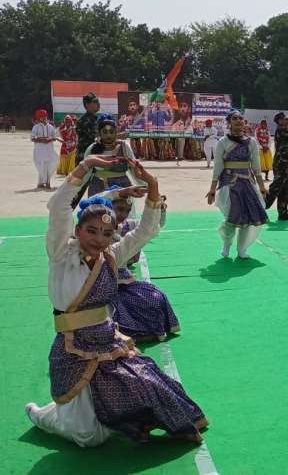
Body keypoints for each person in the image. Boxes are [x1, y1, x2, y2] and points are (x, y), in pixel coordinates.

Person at [25, 156, 208, 447]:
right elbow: (59, 207)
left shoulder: (112, 256)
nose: (99, 239)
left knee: (146, 383)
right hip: (72, 349)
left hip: (108, 341)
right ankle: (42, 416)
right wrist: (86, 166)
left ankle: (142, 420)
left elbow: (146, 231)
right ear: (77, 230)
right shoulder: (61, 255)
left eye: (107, 233)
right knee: (87, 437)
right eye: (92, 231)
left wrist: (152, 184)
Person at [100, 185, 180, 341]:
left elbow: (153, 226)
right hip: (101, 282)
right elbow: (97, 201)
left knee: (156, 297)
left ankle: (151, 330)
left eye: (126, 210)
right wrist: (121, 192)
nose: (122, 214)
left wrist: (159, 209)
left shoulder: (129, 226)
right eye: (118, 209)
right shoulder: (97, 228)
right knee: (117, 309)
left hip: (124, 280)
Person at [206, 110, 268, 259]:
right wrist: (212, 189)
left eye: (241, 118)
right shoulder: (223, 142)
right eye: (235, 118)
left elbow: (256, 167)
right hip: (229, 184)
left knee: (248, 219)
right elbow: (218, 167)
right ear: (229, 123)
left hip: (247, 183)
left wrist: (261, 187)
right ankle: (226, 245)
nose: (239, 121)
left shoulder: (251, 142)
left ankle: (242, 249)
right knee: (231, 218)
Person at [84, 115, 136, 196]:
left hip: (122, 188)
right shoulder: (92, 149)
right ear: (99, 133)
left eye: (111, 132)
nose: (108, 135)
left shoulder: (125, 147)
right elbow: (84, 173)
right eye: (105, 132)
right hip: (98, 188)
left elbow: (135, 170)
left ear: (116, 132)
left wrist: (148, 184)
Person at [31, 109, 59, 190]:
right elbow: (32, 138)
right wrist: (42, 140)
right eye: (41, 117)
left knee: (51, 164)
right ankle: (45, 183)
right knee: (41, 166)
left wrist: (49, 140)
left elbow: (54, 138)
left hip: (49, 149)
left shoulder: (51, 127)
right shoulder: (35, 127)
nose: (43, 118)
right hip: (40, 150)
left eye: (44, 116)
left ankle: (43, 182)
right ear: (39, 118)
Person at [75, 93, 101, 165]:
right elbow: (97, 138)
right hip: (85, 159)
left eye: (98, 101)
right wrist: (116, 136)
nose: (98, 104)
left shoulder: (96, 119)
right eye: (95, 102)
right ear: (87, 105)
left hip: (93, 157)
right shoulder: (84, 121)